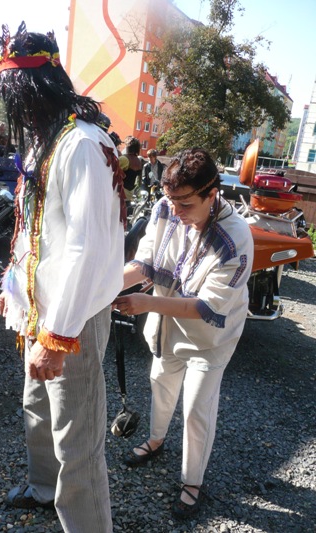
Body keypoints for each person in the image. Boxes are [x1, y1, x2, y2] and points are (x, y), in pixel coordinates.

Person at [0, 22, 126, 533]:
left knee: (77, 438)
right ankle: (42, 488)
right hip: (41, 311)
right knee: (36, 408)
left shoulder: (83, 145)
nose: (18, 113)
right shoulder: (45, 142)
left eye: (18, 99)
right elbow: (33, 228)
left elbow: (86, 248)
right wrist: (13, 288)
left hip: (72, 320)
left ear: (36, 90)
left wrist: (57, 336)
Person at [113, 148, 254, 520]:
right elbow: (145, 264)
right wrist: (105, 287)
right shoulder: (166, 207)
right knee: (160, 382)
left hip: (211, 337)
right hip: (168, 323)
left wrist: (145, 303)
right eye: (171, 200)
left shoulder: (235, 238)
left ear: (212, 194)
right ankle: (156, 440)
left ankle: (193, 481)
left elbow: (206, 306)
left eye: (185, 204)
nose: (175, 211)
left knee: (196, 407)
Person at [119, 136, 142, 201]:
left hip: (119, 193)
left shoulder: (124, 159)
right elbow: (138, 181)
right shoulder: (138, 161)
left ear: (128, 147)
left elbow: (111, 171)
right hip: (130, 194)